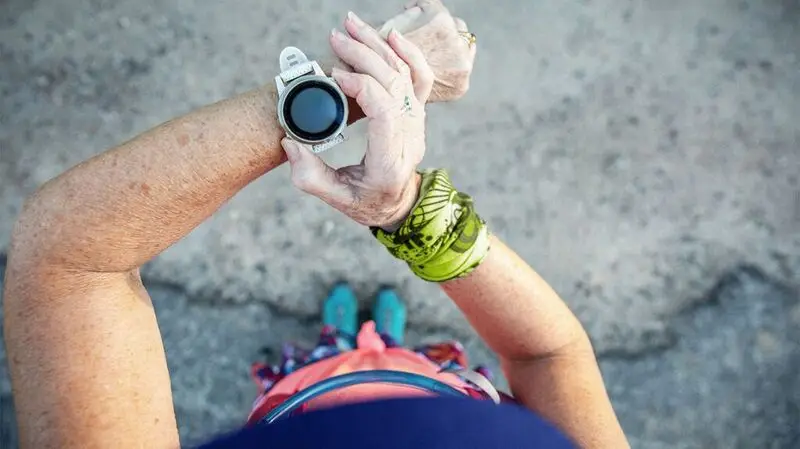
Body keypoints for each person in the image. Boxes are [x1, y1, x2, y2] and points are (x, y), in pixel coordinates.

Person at [2, 1, 629, 448]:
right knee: (390, 350)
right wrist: (404, 213)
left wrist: (343, 92)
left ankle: (341, 343)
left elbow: (72, 258)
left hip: (304, 392)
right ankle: (375, 343)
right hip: (439, 383)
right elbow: (550, 356)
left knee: (329, 358)